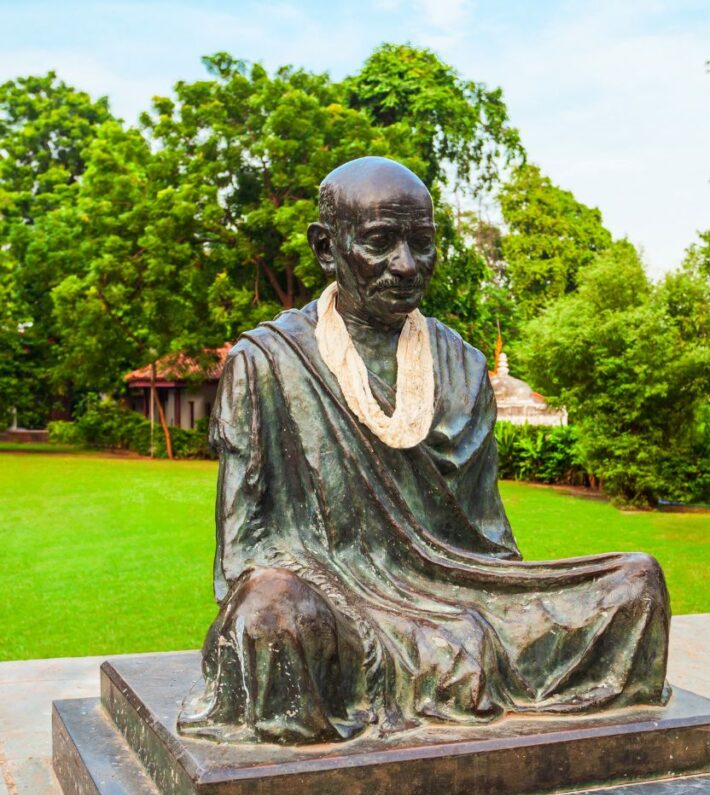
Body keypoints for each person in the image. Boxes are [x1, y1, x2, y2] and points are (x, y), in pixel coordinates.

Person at [178, 156, 670, 745]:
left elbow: (489, 544)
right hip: (335, 602)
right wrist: (365, 610)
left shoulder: (461, 364)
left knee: (635, 583)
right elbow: (244, 554)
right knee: (272, 614)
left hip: (461, 590)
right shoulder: (265, 362)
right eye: (380, 242)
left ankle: (446, 659)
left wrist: (473, 615)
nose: (406, 265)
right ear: (326, 249)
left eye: (422, 243)